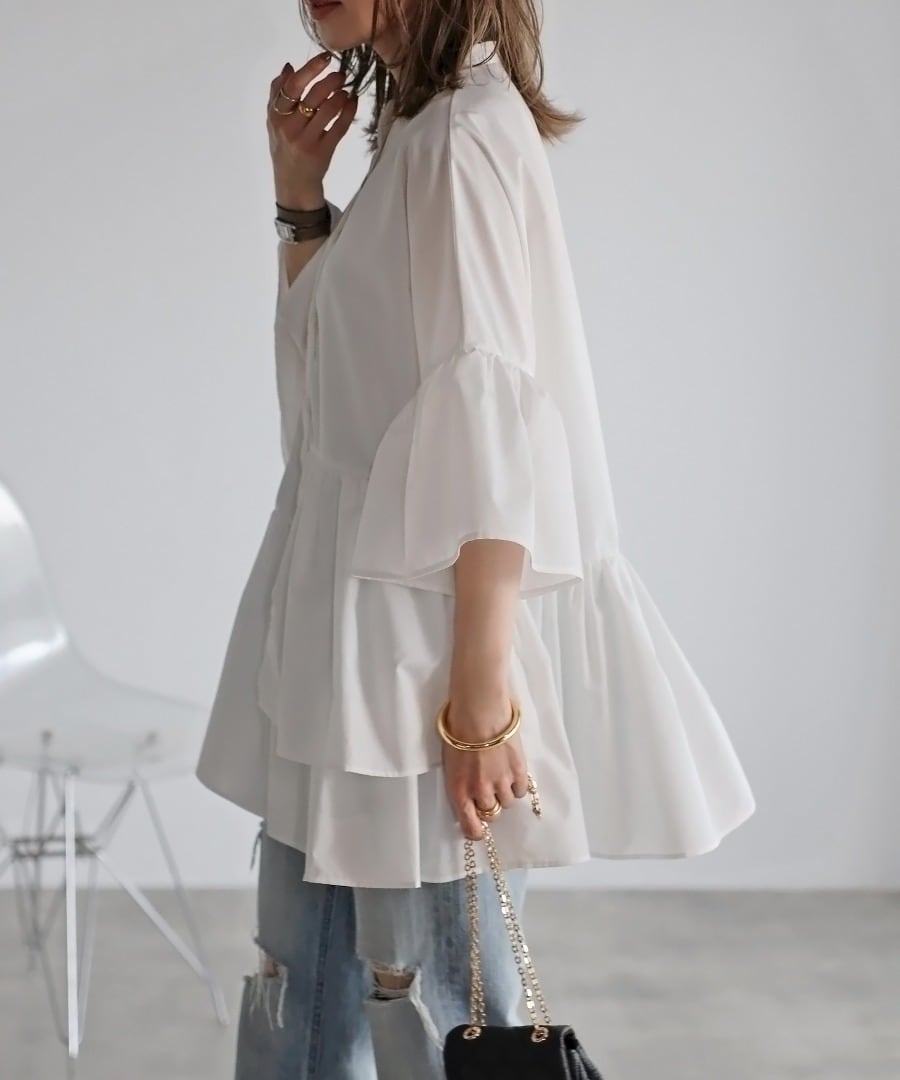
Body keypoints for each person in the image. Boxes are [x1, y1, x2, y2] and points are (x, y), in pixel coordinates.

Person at [196, 1, 757, 1076]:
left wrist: (479, 704)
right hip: (343, 653)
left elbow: (497, 424)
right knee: (308, 998)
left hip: (412, 663)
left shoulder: (463, 137)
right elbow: (328, 403)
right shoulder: (419, 131)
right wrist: (300, 200)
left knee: (444, 1014)